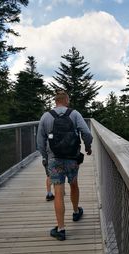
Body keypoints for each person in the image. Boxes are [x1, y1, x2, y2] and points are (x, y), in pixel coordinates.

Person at [37, 90, 93, 241]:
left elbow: (40, 142)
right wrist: (87, 148)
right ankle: (76, 212)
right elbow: (87, 134)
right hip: (72, 158)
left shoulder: (46, 116)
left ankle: (61, 229)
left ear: (55, 101)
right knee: (73, 184)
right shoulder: (74, 114)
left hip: (54, 159)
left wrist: (45, 157)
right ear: (66, 100)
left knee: (58, 191)